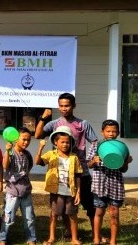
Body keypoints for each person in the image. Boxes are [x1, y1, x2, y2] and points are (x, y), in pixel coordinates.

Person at [34, 92, 98, 236]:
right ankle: (69, 231)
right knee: (62, 206)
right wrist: (43, 117)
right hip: (61, 173)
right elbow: (37, 135)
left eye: (67, 106)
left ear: (73, 106)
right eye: (61, 106)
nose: (64, 109)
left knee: (89, 204)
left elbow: (94, 141)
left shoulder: (83, 124)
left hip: (80, 172)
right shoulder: (55, 123)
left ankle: (96, 235)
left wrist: (89, 159)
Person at [86, 120, 133, 245]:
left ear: (117, 133)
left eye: (114, 131)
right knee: (99, 212)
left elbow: (123, 169)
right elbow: (88, 165)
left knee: (114, 214)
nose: (111, 134)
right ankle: (96, 239)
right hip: (99, 185)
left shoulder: (120, 147)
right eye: (108, 131)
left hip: (115, 185)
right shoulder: (96, 145)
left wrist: (126, 162)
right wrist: (94, 161)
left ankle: (113, 241)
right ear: (102, 132)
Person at [35, 125, 83, 245]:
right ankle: (51, 237)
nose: (65, 144)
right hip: (56, 190)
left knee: (72, 214)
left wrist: (78, 192)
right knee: (54, 214)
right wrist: (40, 148)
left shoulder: (74, 157)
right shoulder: (51, 154)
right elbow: (38, 162)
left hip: (70, 191)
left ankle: (74, 238)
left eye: (67, 142)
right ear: (56, 142)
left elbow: (78, 175)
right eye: (62, 142)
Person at [0, 127, 37, 245]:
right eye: (24, 139)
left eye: (29, 140)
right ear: (16, 139)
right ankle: (3, 238)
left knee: (29, 218)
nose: (26, 142)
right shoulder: (10, 152)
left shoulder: (27, 154)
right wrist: (7, 151)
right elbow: (5, 165)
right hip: (12, 192)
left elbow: (29, 167)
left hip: (26, 192)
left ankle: (31, 238)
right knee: (8, 217)